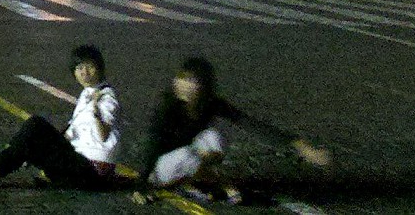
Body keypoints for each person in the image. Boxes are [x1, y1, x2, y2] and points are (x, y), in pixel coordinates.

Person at [131, 56, 331, 205]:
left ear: (204, 87)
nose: (183, 85)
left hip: (190, 160)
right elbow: (153, 145)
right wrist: (141, 186)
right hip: (161, 168)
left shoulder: (210, 104)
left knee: (214, 138)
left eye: (192, 81)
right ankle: (200, 183)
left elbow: (251, 124)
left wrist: (302, 147)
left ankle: (198, 181)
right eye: (181, 79)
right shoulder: (168, 107)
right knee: (187, 155)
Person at [0, 45, 120, 190]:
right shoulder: (87, 93)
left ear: (100, 67)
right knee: (33, 131)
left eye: (89, 67)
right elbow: (73, 133)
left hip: (94, 172)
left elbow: (103, 135)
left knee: (35, 126)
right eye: (79, 68)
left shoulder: (106, 97)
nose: (84, 73)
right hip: (80, 163)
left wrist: (95, 108)